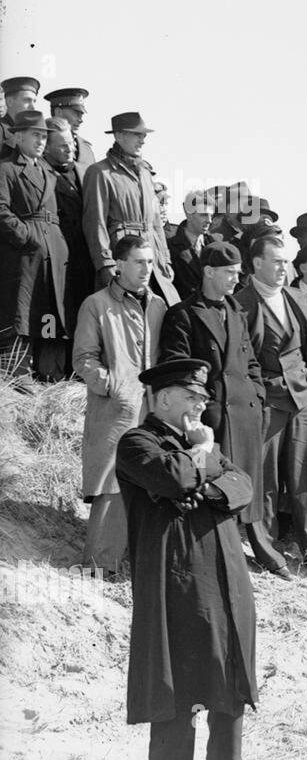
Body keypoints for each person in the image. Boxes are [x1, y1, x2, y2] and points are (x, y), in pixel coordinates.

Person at [117, 358, 271, 760]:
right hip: (176, 573)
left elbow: (243, 485)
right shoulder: (137, 442)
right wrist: (201, 460)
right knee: (179, 676)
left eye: (204, 399)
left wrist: (205, 485)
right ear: (163, 399)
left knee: (229, 662)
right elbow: (174, 478)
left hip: (224, 569)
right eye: (192, 397)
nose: (201, 406)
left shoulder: (196, 442)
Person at [159, 241, 276, 575]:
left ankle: (254, 549)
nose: (234, 280)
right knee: (209, 484)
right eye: (228, 273)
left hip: (245, 412)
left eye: (238, 273)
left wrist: (258, 394)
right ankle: (211, 554)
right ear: (208, 271)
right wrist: (201, 406)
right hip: (211, 416)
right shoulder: (183, 313)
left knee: (246, 485)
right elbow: (177, 367)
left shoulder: (237, 311)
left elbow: (251, 360)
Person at [234, 235, 307, 584]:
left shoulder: (295, 297)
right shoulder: (240, 304)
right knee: (265, 482)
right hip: (267, 403)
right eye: (277, 261)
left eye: (286, 262)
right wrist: (263, 392)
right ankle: (269, 556)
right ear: (257, 264)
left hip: (304, 402)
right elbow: (240, 361)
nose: (284, 268)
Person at [72, 235, 167, 574]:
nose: (147, 269)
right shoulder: (96, 304)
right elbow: (83, 358)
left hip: (152, 409)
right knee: (111, 482)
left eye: (151, 262)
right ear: (120, 263)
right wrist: (113, 386)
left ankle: (134, 564)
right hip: (115, 408)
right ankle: (99, 566)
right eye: (140, 262)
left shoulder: (158, 305)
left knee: (147, 480)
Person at [0, 110, 70, 379]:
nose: (41, 141)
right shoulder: (7, 169)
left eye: (44, 136)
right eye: (35, 135)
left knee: (49, 316)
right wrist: (27, 236)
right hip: (24, 256)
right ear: (18, 136)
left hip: (52, 255)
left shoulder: (48, 173)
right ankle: (17, 377)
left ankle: (48, 376)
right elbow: (1, 210)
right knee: (21, 317)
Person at [82, 112, 179, 303]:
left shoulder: (145, 173)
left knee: (163, 311)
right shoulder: (100, 172)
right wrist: (105, 263)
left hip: (152, 258)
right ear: (119, 136)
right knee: (122, 314)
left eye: (143, 135)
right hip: (122, 256)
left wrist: (165, 258)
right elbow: (95, 223)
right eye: (137, 134)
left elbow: (156, 222)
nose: (142, 140)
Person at [44, 117, 97, 371]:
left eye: (72, 145)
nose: (71, 150)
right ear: (46, 147)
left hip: (83, 255)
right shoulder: (42, 173)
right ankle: (53, 372)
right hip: (57, 255)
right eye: (63, 146)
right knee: (55, 317)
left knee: (81, 315)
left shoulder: (84, 172)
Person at [167, 188, 218, 301]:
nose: (209, 220)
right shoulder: (168, 247)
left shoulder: (215, 246)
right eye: (204, 215)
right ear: (189, 214)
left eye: (211, 215)